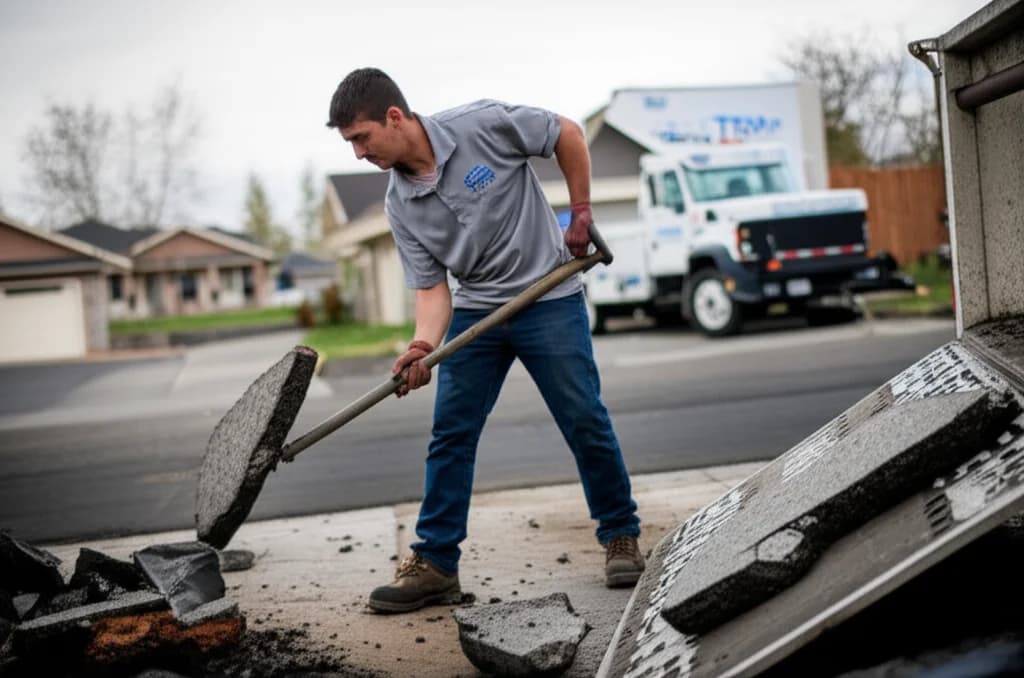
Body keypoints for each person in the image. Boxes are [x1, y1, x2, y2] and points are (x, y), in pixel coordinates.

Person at [326, 68, 644, 613]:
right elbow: (431, 291)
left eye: (361, 137)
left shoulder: (482, 125)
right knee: (450, 433)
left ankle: (620, 535)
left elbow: (567, 132)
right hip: (476, 311)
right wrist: (422, 348)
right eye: (350, 143)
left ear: (394, 118)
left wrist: (582, 208)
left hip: (548, 296)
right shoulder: (400, 206)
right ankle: (436, 564)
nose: (358, 154)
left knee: (583, 418)